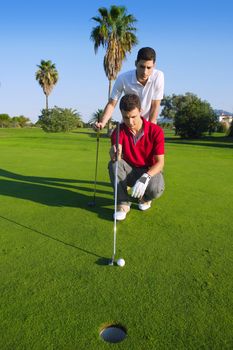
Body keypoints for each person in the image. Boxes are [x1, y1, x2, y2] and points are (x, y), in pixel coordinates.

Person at [109, 94, 165, 221]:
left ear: (140, 111)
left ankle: (145, 198)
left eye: (133, 117)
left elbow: (160, 163)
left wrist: (146, 177)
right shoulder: (118, 130)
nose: (130, 122)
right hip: (129, 172)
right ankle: (122, 203)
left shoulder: (156, 131)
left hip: (149, 171)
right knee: (113, 164)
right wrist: (114, 153)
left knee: (156, 189)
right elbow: (117, 153)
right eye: (125, 117)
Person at [96, 47, 164, 129]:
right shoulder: (123, 78)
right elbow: (111, 104)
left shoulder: (158, 76)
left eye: (149, 68)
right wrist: (102, 123)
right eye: (142, 67)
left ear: (154, 65)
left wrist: (149, 130)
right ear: (136, 63)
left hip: (148, 125)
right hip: (128, 125)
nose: (145, 72)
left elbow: (155, 106)